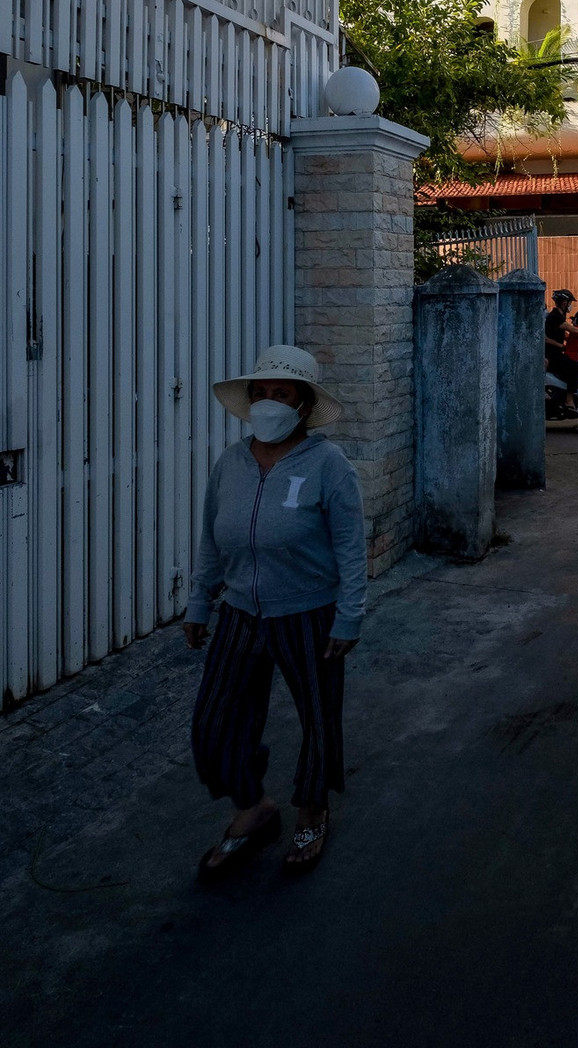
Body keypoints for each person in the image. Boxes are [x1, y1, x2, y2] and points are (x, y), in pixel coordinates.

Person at [183, 344, 366, 882]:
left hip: (309, 614)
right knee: (214, 723)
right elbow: (211, 541)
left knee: (317, 718)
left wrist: (349, 617)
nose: (267, 403)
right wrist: (200, 601)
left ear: (302, 406)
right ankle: (253, 806)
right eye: (260, 393)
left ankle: (312, 810)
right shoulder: (231, 463)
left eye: (279, 394)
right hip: (239, 613)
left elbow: (351, 548)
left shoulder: (328, 466)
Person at [545, 287, 578, 413]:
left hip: (556, 354)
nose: (570, 306)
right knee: (575, 368)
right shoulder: (555, 317)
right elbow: (574, 330)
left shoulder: (558, 317)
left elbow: (567, 335)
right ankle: (569, 400)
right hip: (552, 355)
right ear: (564, 303)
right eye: (570, 303)